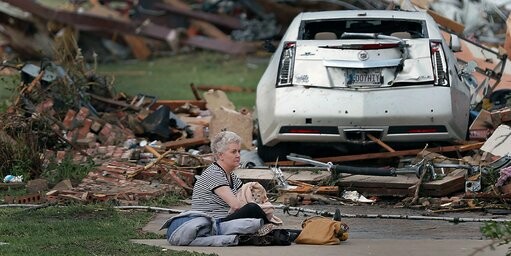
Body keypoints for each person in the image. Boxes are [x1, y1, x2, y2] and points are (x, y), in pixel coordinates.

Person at [192, 130, 270, 223]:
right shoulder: (214, 173)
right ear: (221, 155)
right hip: (212, 223)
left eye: (239, 151)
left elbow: (243, 195)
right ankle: (274, 232)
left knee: (258, 208)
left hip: (224, 219)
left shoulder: (231, 175)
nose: (238, 155)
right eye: (233, 152)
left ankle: (275, 232)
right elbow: (236, 205)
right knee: (252, 208)